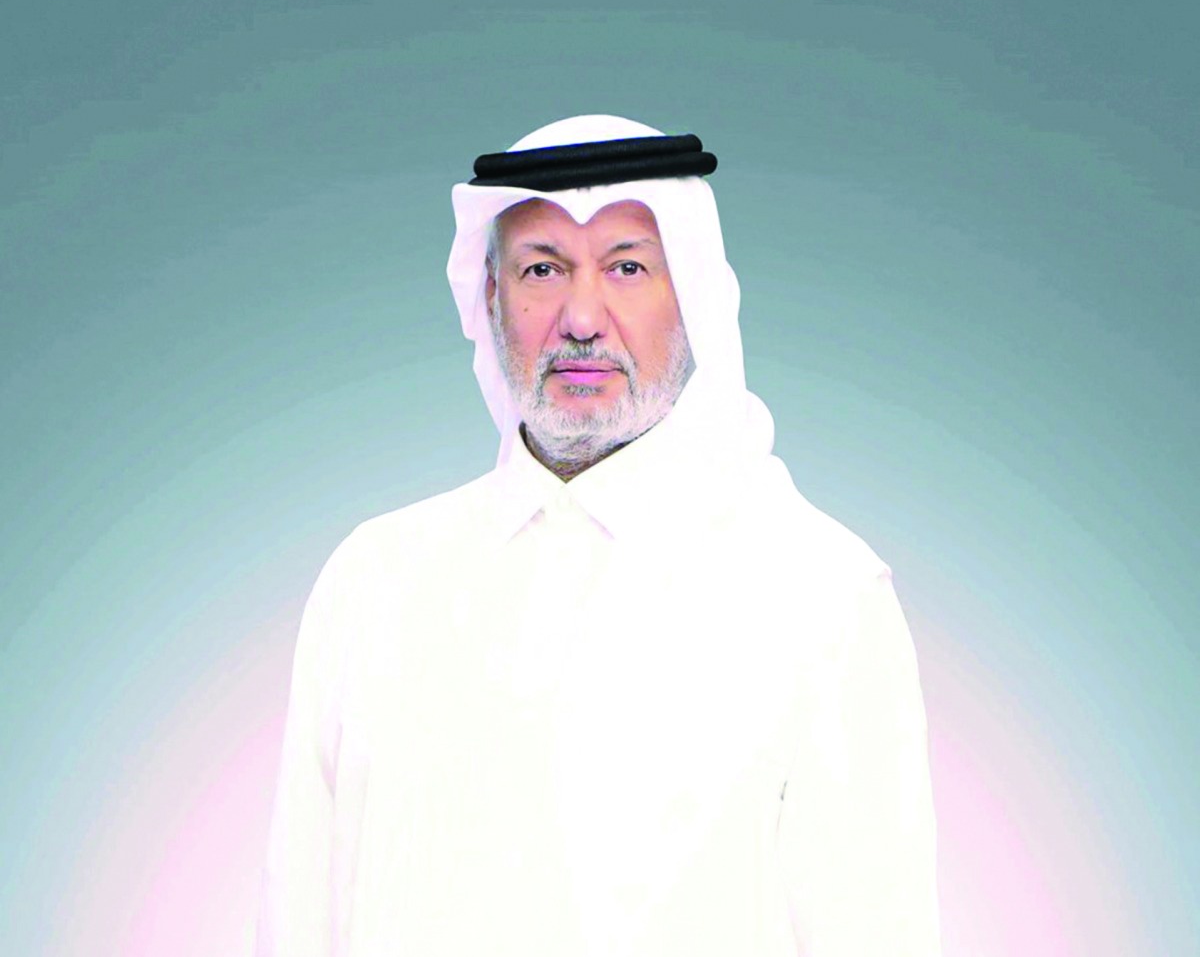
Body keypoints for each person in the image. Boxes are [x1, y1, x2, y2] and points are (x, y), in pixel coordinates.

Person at [256, 114, 942, 956]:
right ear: (490, 296)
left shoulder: (818, 593)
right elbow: (298, 919)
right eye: (543, 268)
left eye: (627, 267)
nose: (582, 317)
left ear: (691, 292)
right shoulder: (376, 578)